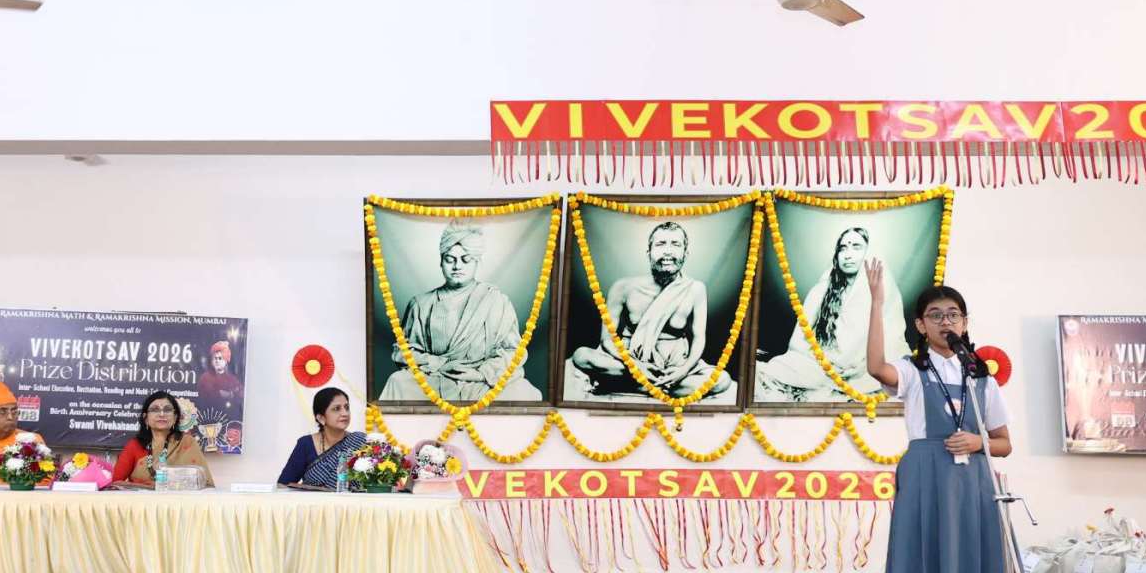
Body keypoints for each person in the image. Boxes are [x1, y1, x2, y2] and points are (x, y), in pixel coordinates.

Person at [866, 264, 1019, 573]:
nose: (946, 322)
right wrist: (876, 303)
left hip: (973, 485)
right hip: (927, 481)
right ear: (920, 325)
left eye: (953, 314)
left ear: (965, 322)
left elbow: (1004, 442)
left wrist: (978, 442)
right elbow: (875, 368)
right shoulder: (912, 372)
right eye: (935, 315)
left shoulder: (982, 378)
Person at [566, 220, 733, 402]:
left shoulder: (695, 289)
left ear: (685, 253)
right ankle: (657, 387)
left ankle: (629, 385)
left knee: (722, 380)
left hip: (673, 366)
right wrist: (636, 367)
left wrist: (682, 371)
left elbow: (699, 338)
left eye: (675, 244)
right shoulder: (623, 287)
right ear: (649, 252)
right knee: (581, 356)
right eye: (660, 244)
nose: (668, 251)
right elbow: (607, 339)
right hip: (628, 362)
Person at [376, 226, 543, 405]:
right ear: (441, 262)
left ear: (477, 262)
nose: (457, 266)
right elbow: (403, 351)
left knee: (524, 391)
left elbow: (514, 351)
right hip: (435, 377)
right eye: (450, 259)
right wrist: (439, 364)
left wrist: (480, 374)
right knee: (398, 381)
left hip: (482, 381)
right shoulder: (421, 304)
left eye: (465, 259)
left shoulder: (497, 301)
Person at [755, 226, 905, 402]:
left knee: (893, 373)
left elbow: (892, 341)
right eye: (843, 248)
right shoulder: (820, 291)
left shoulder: (883, 291)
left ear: (869, 253)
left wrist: (858, 366)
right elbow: (798, 342)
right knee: (778, 367)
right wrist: (826, 365)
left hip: (863, 370)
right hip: (819, 368)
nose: (847, 255)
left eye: (856, 247)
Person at [110, 391, 211, 487]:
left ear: (175, 417)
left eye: (167, 410)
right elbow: (114, 483)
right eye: (155, 409)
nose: (162, 414)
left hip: (180, 499)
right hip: (142, 499)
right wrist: (146, 487)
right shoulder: (135, 446)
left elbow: (204, 482)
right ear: (145, 418)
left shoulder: (187, 443)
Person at [277, 386, 367, 488]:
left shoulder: (360, 442)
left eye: (346, 407)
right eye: (336, 409)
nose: (345, 413)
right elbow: (282, 485)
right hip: (313, 499)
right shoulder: (306, 444)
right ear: (321, 418)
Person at [196, 341, 244, 406]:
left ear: (226, 361)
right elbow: (202, 396)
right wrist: (221, 394)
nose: (217, 361)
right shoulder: (205, 378)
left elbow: (241, 394)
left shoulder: (232, 379)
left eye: (220, 358)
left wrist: (231, 395)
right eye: (215, 358)